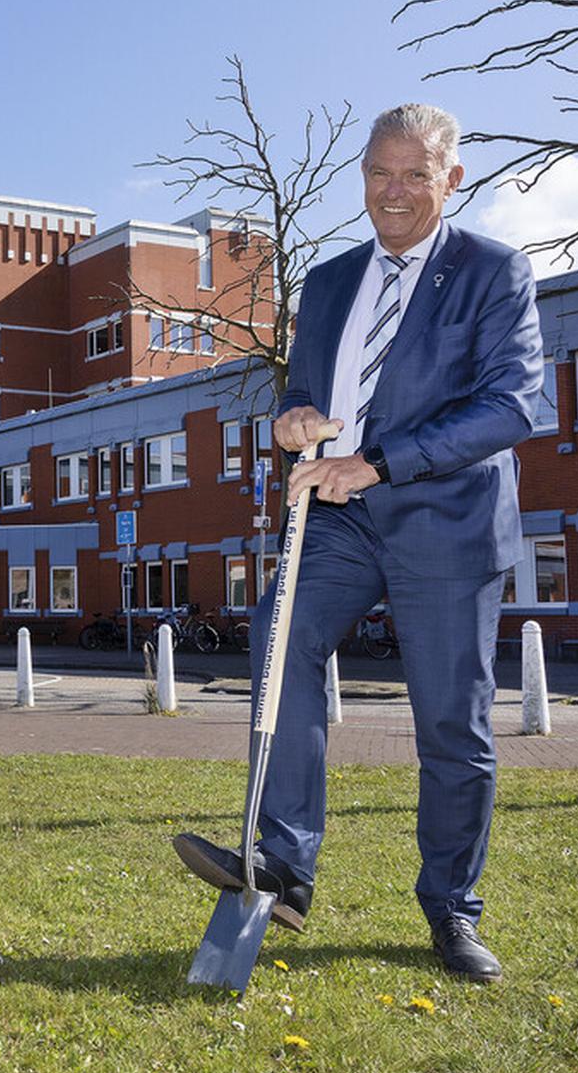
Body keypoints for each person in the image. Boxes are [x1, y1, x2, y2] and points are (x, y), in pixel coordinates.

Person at [174, 103, 542, 982]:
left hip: (444, 523)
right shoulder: (330, 280)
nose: (395, 191)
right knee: (277, 637)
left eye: (417, 174)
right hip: (339, 519)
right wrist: (292, 420)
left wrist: (377, 463)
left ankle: (452, 907)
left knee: (451, 727)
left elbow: (511, 406)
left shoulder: (495, 272)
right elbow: (304, 398)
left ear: (453, 178)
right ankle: (285, 864)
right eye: (380, 172)